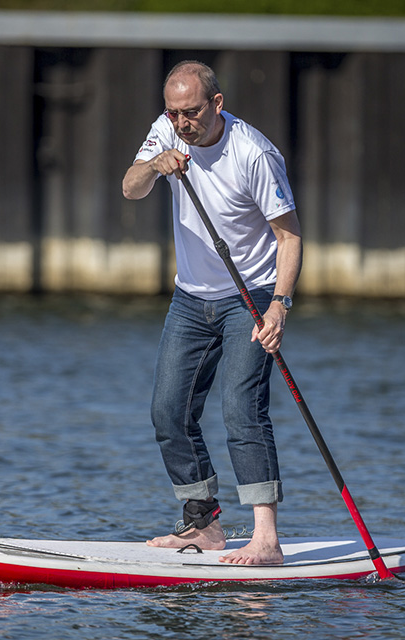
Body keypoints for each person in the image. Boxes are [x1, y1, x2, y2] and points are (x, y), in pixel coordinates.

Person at [122, 60, 302, 565]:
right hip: (190, 297)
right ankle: (204, 525)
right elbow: (130, 188)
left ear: (217, 104)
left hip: (252, 294)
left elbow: (290, 238)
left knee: (242, 410)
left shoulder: (255, 153)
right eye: (174, 112)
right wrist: (156, 165)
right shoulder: (166, 132)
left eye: (192, 112)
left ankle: (266, 539)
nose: (182, 123)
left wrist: (280, 307)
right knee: (168, 412)